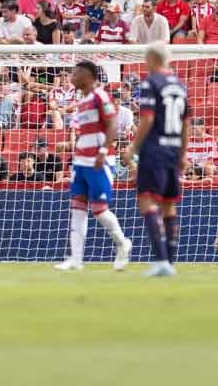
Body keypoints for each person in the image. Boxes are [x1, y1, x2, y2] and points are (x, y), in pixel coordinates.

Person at [54, 60, 132, 272]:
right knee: (78, 209)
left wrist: (104, 151)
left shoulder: (100, 95)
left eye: (76, 72)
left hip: (98, 161)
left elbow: (113, 124)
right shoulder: (83, 100)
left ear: (88, 76)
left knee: (99, 210)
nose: (72, 76)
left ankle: (123, 243)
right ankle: (76, 259)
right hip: (80, 161)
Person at [126, 42, 188, 277]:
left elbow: (148, 119)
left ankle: (161, 260)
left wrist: (133, 147)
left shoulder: (151, 83)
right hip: (173, 151)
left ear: (152, 59)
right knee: (169, 205)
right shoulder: (181, 86)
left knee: (147, 201)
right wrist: (183, 153)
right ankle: (170, 262)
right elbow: (186, 123)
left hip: (154, 150)